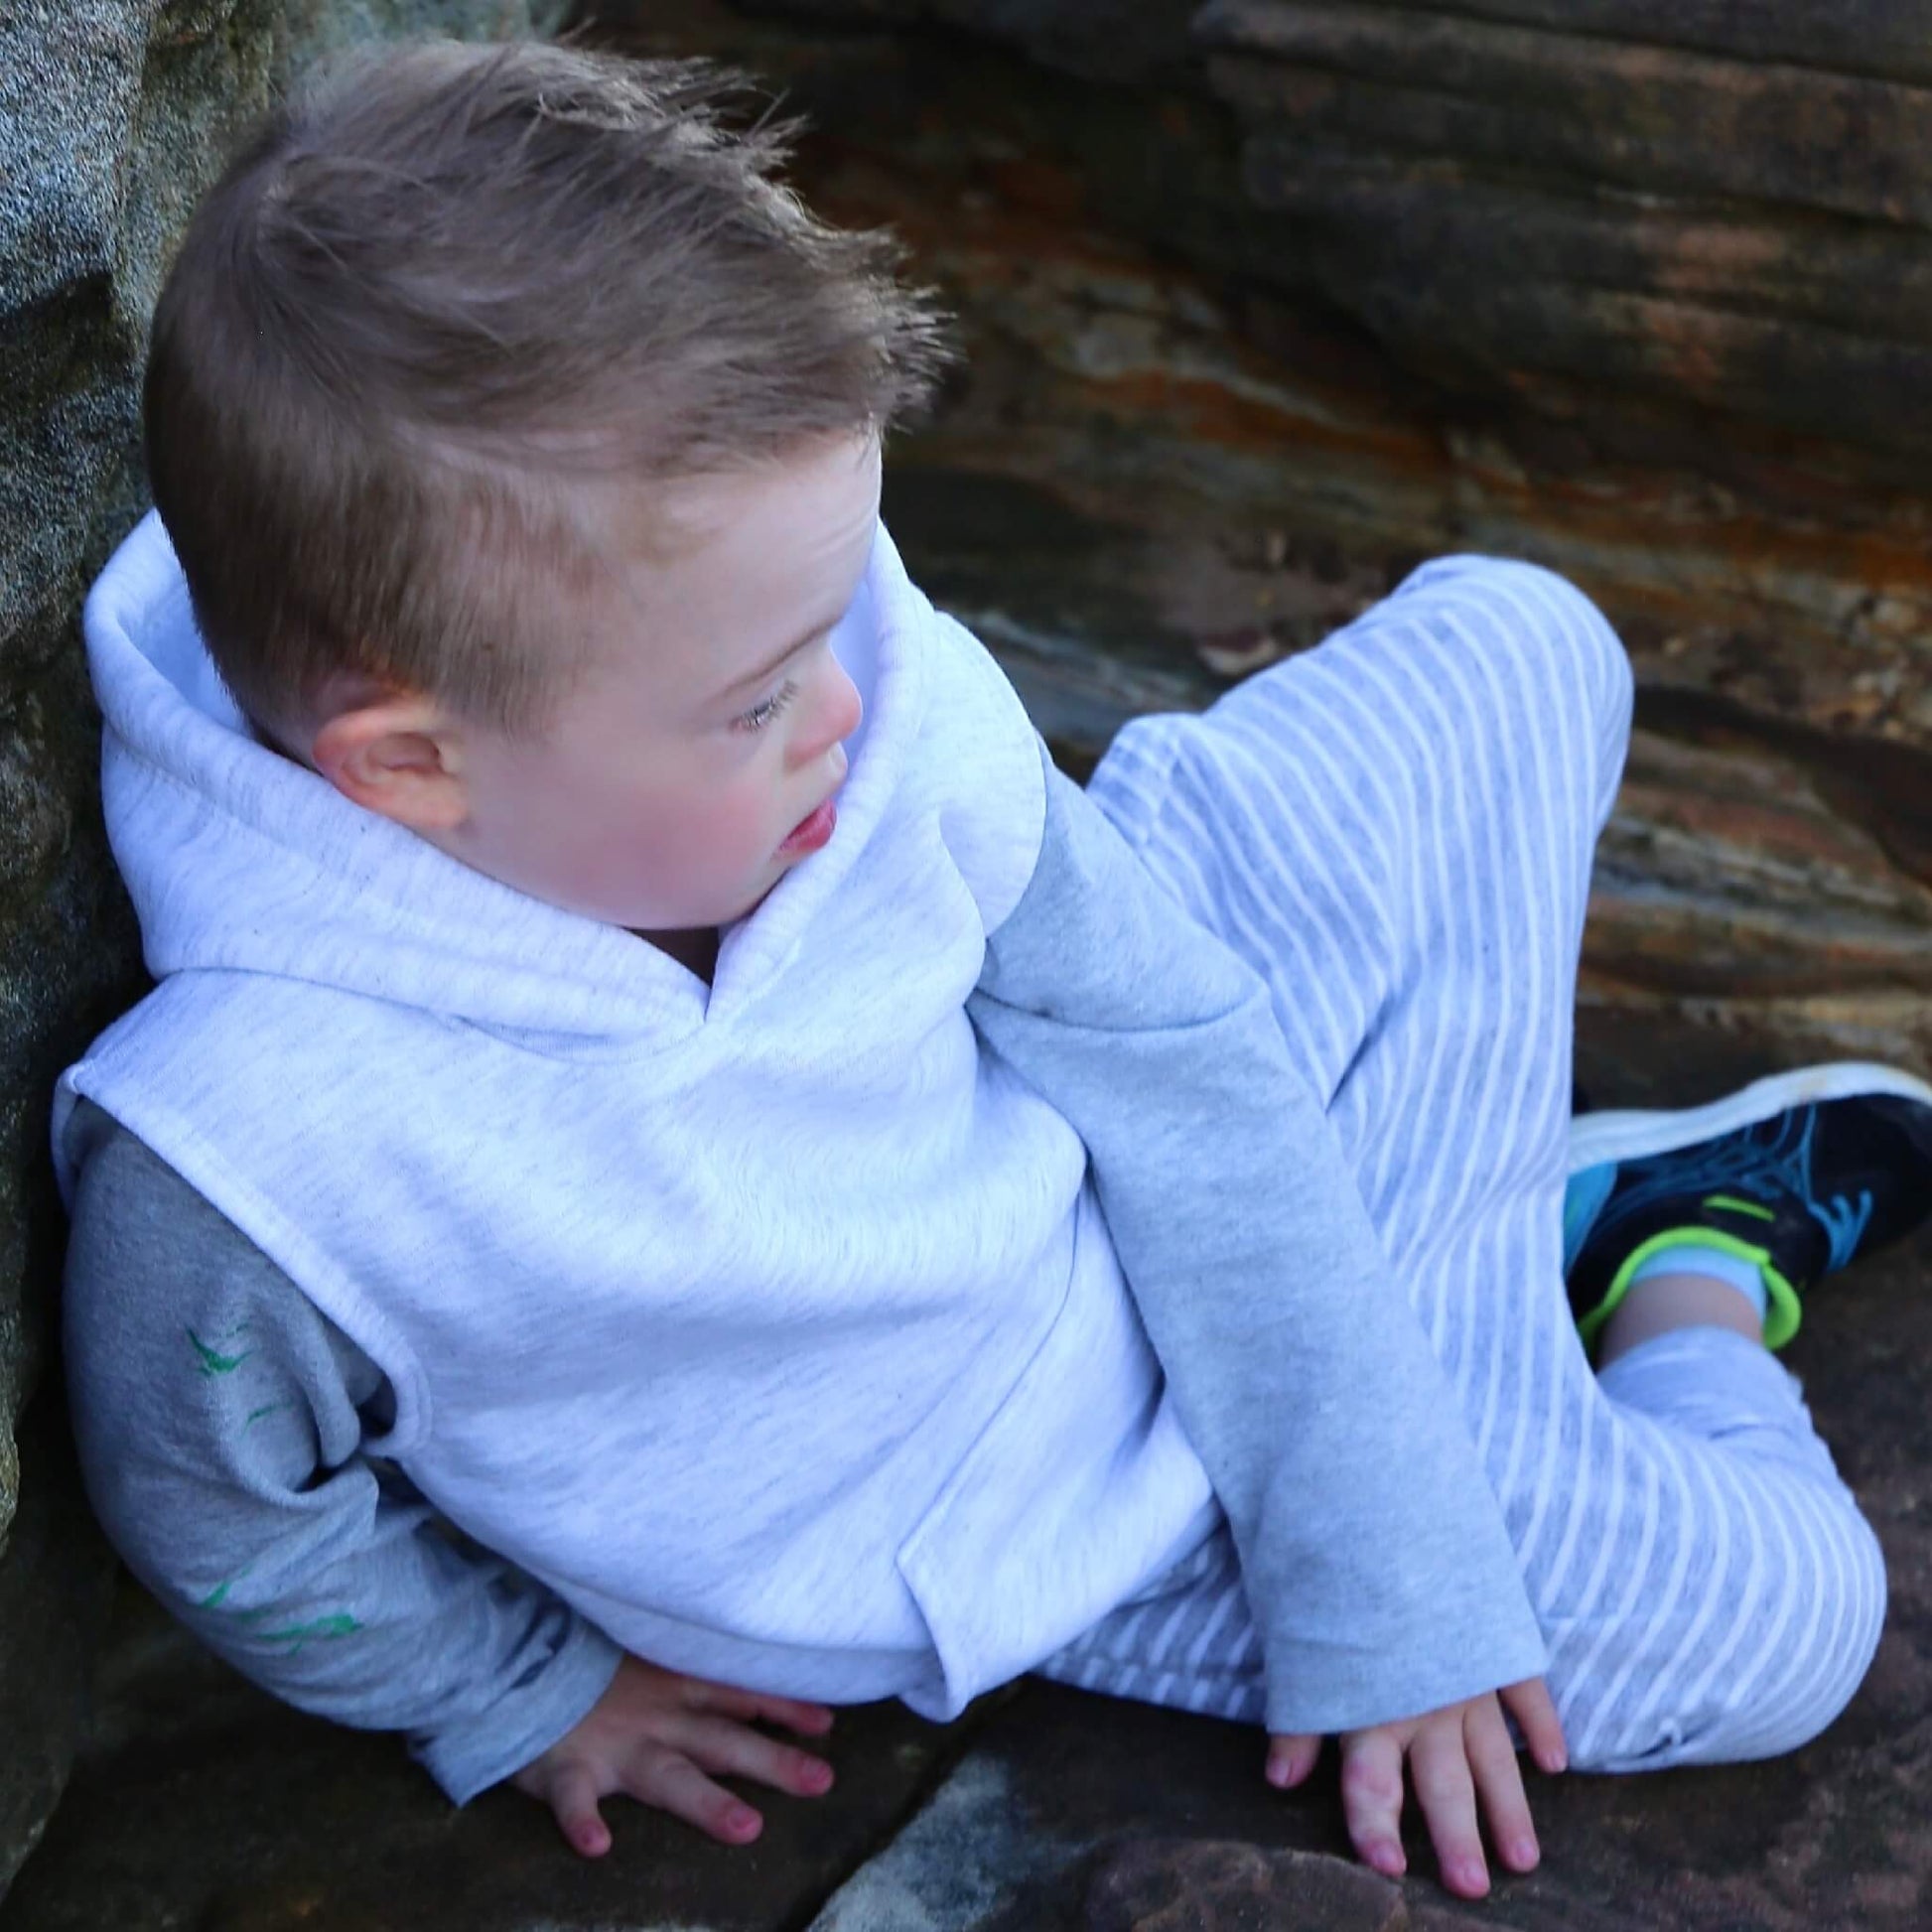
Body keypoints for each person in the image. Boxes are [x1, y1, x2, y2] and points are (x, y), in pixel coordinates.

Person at [54, 37, 1932, 1905]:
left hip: (1143, 1112)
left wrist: (1384, 1555)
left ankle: (1438, 1318)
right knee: (1783, 1623)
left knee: (1522, 646)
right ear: (411, 765)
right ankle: (1670, 1268)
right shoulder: (258, 1165)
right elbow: (210, 1504)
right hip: (1070, 1498)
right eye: (760, 693)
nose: (860, 705)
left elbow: (1181, 1048)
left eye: (844, 597)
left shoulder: (824, 697)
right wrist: (514, 1687)